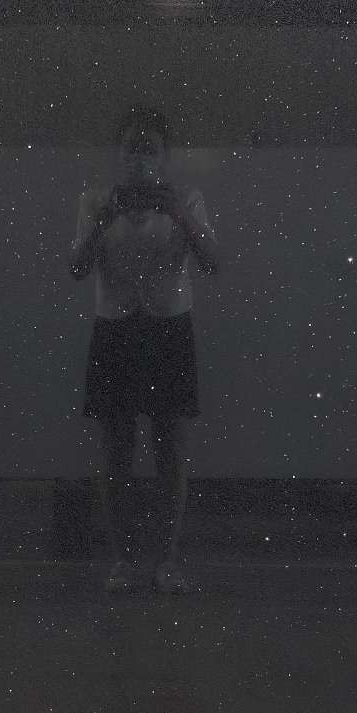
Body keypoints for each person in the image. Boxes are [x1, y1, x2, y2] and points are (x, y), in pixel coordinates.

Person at [69, 108, 219, 593]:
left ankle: (167, 561)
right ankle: (123, 561)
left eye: (150, 148)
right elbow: (76, 268)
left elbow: (213, 262)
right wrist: (102, 220)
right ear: (118, 152)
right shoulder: (95, 200)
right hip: (115, 328)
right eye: (131, 146)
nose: (140, 156)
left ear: (165, 156)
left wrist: (179, 214)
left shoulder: (186, 199)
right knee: (115, 451)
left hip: (169, 328)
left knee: (171, 450)